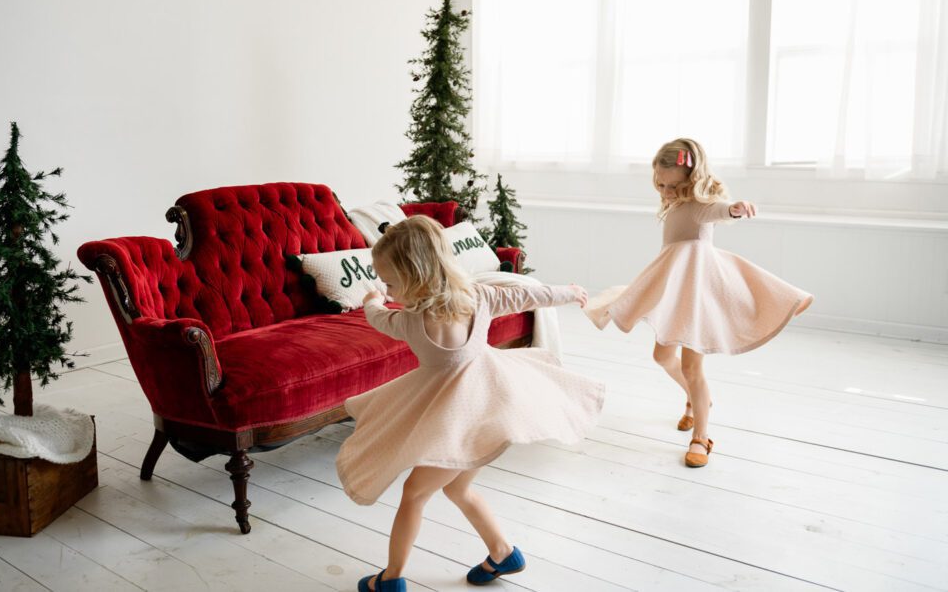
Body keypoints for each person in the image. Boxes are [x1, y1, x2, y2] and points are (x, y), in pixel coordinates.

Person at [336, 215, 605, 592]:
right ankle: (502, 552)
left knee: (414, 493)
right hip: (490, 408)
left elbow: (379, 317)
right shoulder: (480, 296)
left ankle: (391, 578)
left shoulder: (411, 321)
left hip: (457, 420)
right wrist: (568, 292)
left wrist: (371, 299)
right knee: (457, 488)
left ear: (414, 277)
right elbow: (529, 294)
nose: (388, 288)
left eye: (392, 282)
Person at [585, 138, 812, 468]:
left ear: (691, 180)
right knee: (661, 355)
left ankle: (701, 437)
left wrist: (735, 208)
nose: (665, 192)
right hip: (675, 288)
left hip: (699, 294)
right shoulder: (674, 204)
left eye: (673, 186)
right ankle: (694, 398)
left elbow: (719, 210)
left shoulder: (700, 205)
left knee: (693, 367)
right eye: (660, 185)